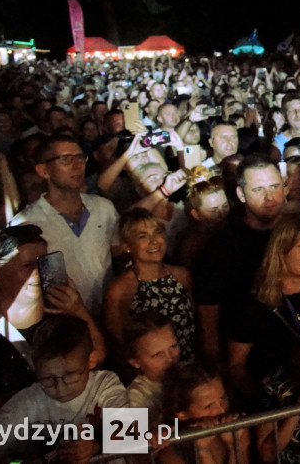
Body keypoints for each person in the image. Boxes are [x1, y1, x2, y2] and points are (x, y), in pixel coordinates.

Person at [0, 225, 106, 435]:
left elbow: (96, 357)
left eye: (42, 264)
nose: (37, 273)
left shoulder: (60, 312)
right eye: (26, 265)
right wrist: (39, 393)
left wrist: (79, 311)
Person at [0, 314, 128, 463]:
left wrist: (96, 445)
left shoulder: (105, 384)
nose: (60, 387)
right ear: (36, 368)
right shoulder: (28, 401)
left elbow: (133, 434)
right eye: (48, 378)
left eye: (70, 374)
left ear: (91, 361)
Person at [226, 213, 300, 408]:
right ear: (281, 249)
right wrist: (272, 401)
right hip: (279, 412)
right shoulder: (251, 304)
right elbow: (236, 367)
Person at [9, 134, 121, 318]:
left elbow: (118, 253)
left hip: (110, 315)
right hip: (66, 326)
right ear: (43, 170)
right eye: (66, 160)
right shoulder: (26, 223)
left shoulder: (104, 207)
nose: (78, 166)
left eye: (79, 158)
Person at [193, 154, 285, 363]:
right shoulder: (221, 247)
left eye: (274, 186)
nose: (269, 197)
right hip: (248, 362)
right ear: (240, 194)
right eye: (258, 189)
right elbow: (208, 317)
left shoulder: (299, 235)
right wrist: (218, 367)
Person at [104, 208, 197, 361]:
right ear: (128, 246)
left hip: (187, 367)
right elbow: (118, 344)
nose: (153, 241)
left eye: (158, 233)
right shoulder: (120, 290)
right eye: (143, 236)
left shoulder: (182, 276)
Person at [159, 362, 250, 464]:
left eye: (223, 398)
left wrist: (234, 446)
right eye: (208, 406)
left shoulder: (235, 426)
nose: (221, 410)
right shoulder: (171, 451)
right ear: (182, 414)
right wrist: (203, 451)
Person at [123, 310, 182, 412]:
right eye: (157, 355)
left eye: (173, 346)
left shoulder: (190, 372)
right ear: (135, 362)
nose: (170, 358)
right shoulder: (135, 400)